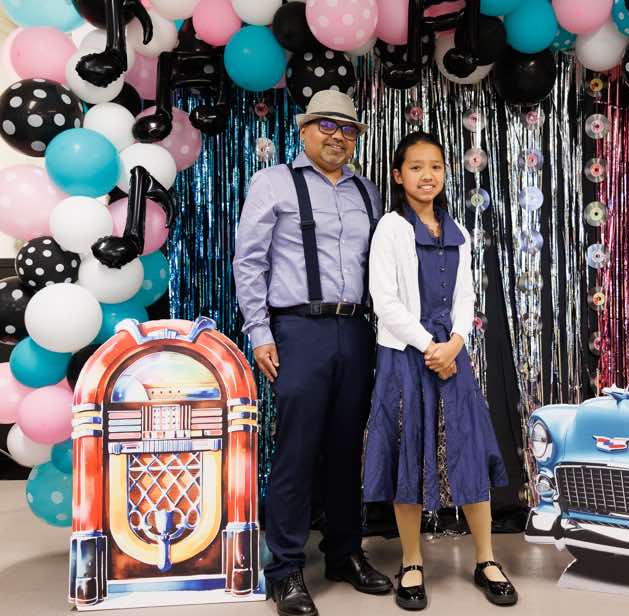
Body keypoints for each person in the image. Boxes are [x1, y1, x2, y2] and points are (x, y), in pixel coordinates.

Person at [233, 90, 392, 616]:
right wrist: (260, 333)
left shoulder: (367, 190)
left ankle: (344, 553)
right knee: (297, 449)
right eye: (327, 125)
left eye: (348, 129)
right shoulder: (273, 182)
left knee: (347, 448)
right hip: (298, 329)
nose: (337, 136)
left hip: (356, 329)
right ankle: (284, 568)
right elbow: (249, 261)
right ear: (304, 130)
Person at [363, 132, 517, 610]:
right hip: (406, 357)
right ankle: (411, 561)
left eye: (435, 166)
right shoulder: (390, 228)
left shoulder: (459, 231)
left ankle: (486, 559)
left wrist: (455, 343)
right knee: (408, 452)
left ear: (446, 173)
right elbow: (385, 302)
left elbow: (467, 296)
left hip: (451, 355)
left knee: (467, 450)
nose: (426, 175)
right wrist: (430, 346)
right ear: (398, 176)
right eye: (415, 167)